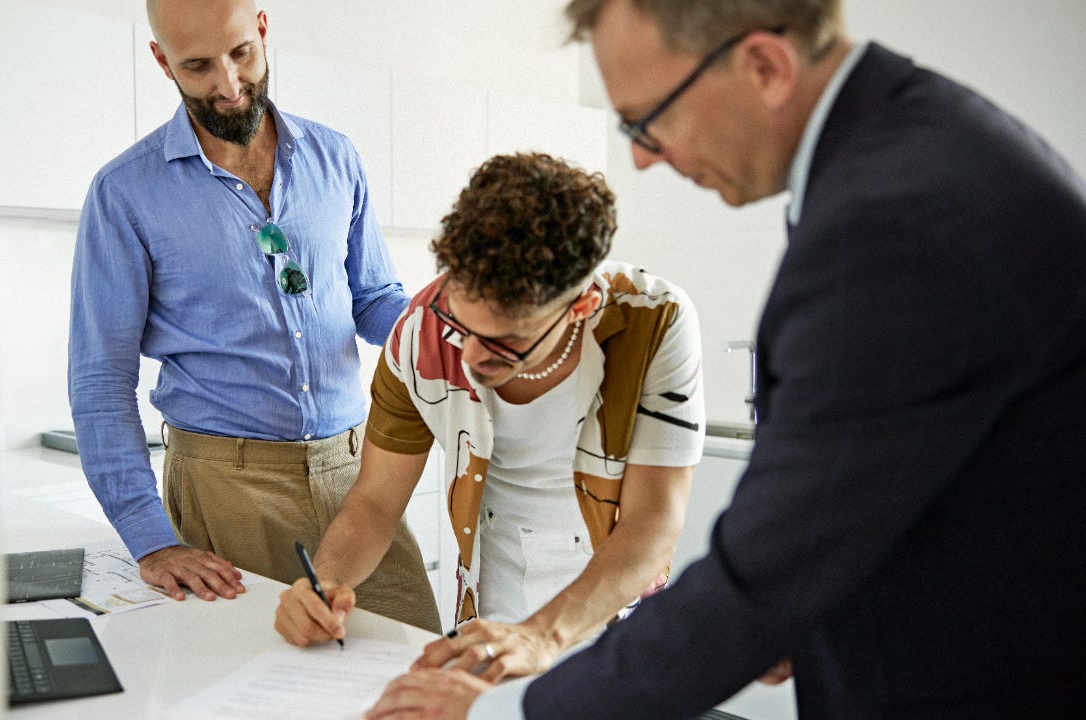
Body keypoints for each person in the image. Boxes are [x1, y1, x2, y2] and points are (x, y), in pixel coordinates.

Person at [365, 1, 1086, 718]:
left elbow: (771, 564)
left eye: (649, 119)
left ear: (766, 66)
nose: (643, 156)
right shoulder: (911, 149)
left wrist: (488, 714)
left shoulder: (893, 218)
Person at [67, 0, 439, 634]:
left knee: (416, 659)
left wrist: (450, 333)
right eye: (197, 66)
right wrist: (151, 540)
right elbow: (101, 381)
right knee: (270, 685)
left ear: (262, 30)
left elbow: (373, 300)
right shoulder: (125, 192)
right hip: (226, 488)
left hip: (358, 473)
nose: (229, 85)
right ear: (162, 61)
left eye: (240, 54)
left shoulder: (335, 158)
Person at [274, 152, 706, 683]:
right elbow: (374, 500)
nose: (471, 358)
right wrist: (325, 583)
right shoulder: (419, 333)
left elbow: (653, 522)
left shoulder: (653, 321)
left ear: (580, 307)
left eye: (506, 342)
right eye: (461, 323)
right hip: (492, 590)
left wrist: (543, 635)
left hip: (614, 588)